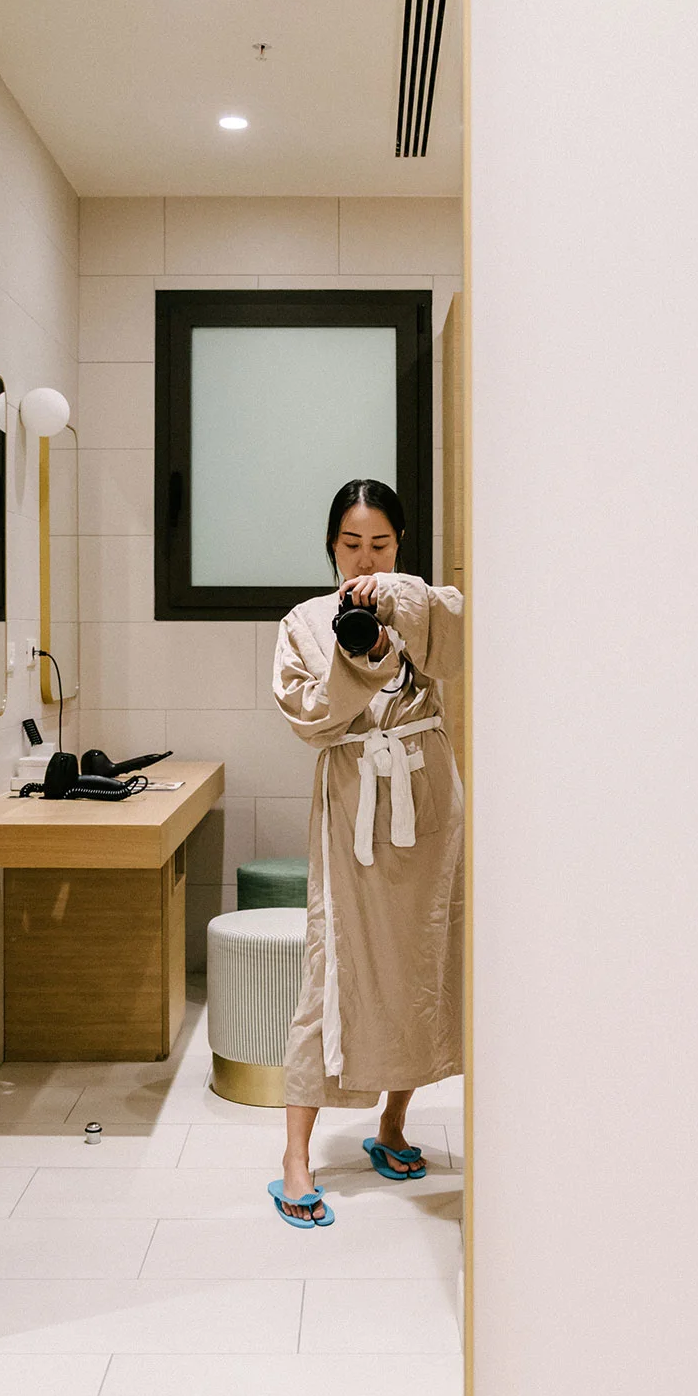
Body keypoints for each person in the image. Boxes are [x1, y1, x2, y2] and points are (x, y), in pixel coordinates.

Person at [267, 479, 464, 1227]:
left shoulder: (420, 605)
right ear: (331, 546)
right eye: (352, 544)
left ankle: (392, 1125)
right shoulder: (303, 623)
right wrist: (367, 655)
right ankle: (295, 1157)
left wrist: (398, 608)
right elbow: (310, 716)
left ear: (399, 544)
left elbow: (461, 644)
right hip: (354, 797)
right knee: (334, 966)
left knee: (423, 958)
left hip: (428, 799)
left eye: (380, 543)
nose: (365, 557)